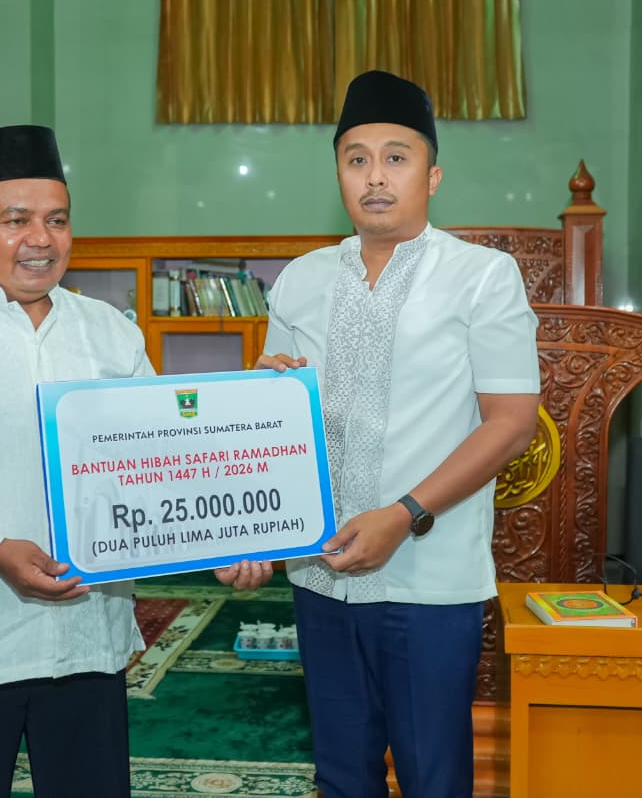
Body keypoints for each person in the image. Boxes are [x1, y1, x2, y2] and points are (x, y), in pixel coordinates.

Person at [0, 124, 273, 797]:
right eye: (16, 220)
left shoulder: (110, 334)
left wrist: (221, 540)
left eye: (57, 220)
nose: (41, 238)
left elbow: (161, 465)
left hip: (82, 641)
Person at [256, 70, 541, 798]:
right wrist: (266, 393)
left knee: (432, 775)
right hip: (320, 570)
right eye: (356, 159)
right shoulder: (301, 280)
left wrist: (405, 513)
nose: (375, 176)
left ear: (432, 175)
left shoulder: (482, 276)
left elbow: (511, 423)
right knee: (340, 774)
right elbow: (272, 423)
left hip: (428, 575)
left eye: (396, 157)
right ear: (339, 175)